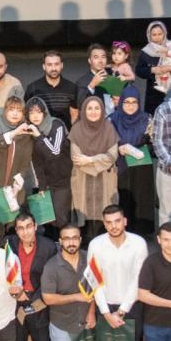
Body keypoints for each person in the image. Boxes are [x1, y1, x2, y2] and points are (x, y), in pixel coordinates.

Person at [87, 205, 149, 341]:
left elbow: (137, 279)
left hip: (132, 307)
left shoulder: (139, 243)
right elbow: (94, 281)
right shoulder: (95, 245)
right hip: (105, 307)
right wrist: (107, 313)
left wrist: (121, 311)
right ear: (104, 224)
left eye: (117, 221)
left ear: (125, 221)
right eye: (109, 222)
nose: (113, 226)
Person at [39, 224, 92, 341]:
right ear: (60, 241)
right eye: (67, 238)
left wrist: (92, 312)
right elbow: (48, 298)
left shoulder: (89, 259)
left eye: (75, 238)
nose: (71, 242)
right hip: (62, 323)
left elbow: (96, 288)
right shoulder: (52, 266)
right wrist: (76, 297)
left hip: (85, 320)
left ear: (80, 239)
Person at [7, 213, 57, 341]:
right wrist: (16, 294)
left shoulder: (48, 247)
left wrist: (31, 298)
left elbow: (52, 278)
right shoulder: (8, 244)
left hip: (39, 303)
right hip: (15, 305)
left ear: (35, 226)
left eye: (29, 226)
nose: (25, 232)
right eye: (21, 228)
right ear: (16, 230)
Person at [71, 96, 120, 239]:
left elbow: (112, 156)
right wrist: (100, 162)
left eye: (97, 108)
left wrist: (90, 160)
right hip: (82, 177)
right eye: (90, 108)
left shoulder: (109, 128)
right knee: (83, 213)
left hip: (105, 179)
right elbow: (76, 158)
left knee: (104, 212)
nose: (93, 112)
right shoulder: (76, 129)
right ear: (84, 111)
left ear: (102, 110)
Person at [111, 85, 155, 235]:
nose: (130, 106)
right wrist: (118, 148)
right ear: (121, 102)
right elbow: (107, 142)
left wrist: (144, 149)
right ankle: (123, 230)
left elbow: (155, 144)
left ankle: (143, 231)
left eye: (134, 102)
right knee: (124, 198)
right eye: (127, 102)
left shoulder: (147, 119)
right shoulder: (112, 119)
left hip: (141, 166)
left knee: (142, 198)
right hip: (121, 166)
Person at [26, 97, 73, 233]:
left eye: (38, 112)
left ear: (44, 112)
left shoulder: (56, 125)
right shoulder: (30, 130)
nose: (35, 116)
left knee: (61, 217)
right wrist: (42, 186)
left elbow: (55, 152)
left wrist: (39, 136)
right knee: (46, 220)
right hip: (47, 182)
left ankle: (65, 242)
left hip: (63, 180)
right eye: (31, 113)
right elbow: (37, 162)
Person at [135, 21, 171, 113]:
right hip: (153, 92)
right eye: (154, 35)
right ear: (149, 35)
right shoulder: (146, 51)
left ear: (165, 33)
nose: (157, 37)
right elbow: (139, 70)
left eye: (160, 34)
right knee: (154, 115)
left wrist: (170, 68)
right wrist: (152, 70)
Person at [24, 51, 79, 127]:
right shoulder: (33, 88)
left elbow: (74, 115)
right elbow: (26, 114)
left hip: (65, 132)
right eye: (49, 65)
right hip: (39, 133)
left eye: (57, 64)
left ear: (62, 65)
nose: (53, 68)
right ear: (44, 66)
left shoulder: (71, 87)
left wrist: (72, 133)